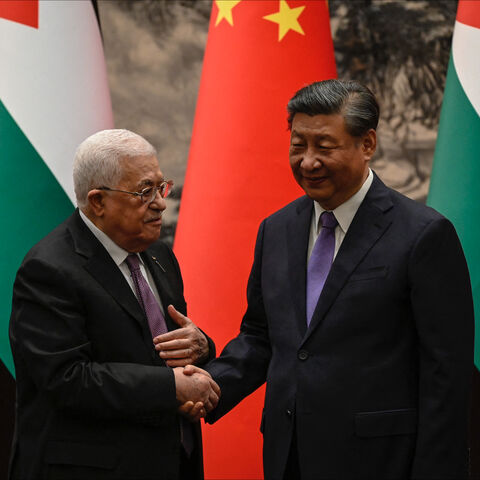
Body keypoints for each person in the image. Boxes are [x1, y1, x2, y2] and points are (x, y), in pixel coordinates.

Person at [201, 80, 474, 479]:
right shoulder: (276, 229)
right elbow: (262, 336)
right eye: (298, 145)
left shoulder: (423, 235)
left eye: (325, 147)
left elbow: (445, 374)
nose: (308, 161)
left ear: (367, 144)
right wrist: (207, 385)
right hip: (288, 456)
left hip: (381, 462)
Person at [9, 129, 220, 480]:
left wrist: (201, 346)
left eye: (160, 186)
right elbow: (66, 378)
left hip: (169, 460)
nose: (160, 202)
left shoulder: (158, 253)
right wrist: (171, 388)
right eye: (144, 192)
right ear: (97, 202)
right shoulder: (49, 269)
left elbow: (162, 347)